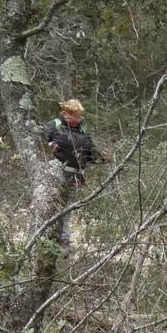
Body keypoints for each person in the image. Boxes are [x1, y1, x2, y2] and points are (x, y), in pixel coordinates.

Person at [44, 99, 107, 247]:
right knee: (55, 206)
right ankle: (55, 240)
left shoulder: (83, 131)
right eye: (76, 116)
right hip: (57, 174)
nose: (79, 119)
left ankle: (62, 240)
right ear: (66, 114)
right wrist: (49, 146)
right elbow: (39, 142)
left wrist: (103, 157)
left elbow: (91, 153)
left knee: (66, 207)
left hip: (75, 176)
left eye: (80, 116)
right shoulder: (54, 126)